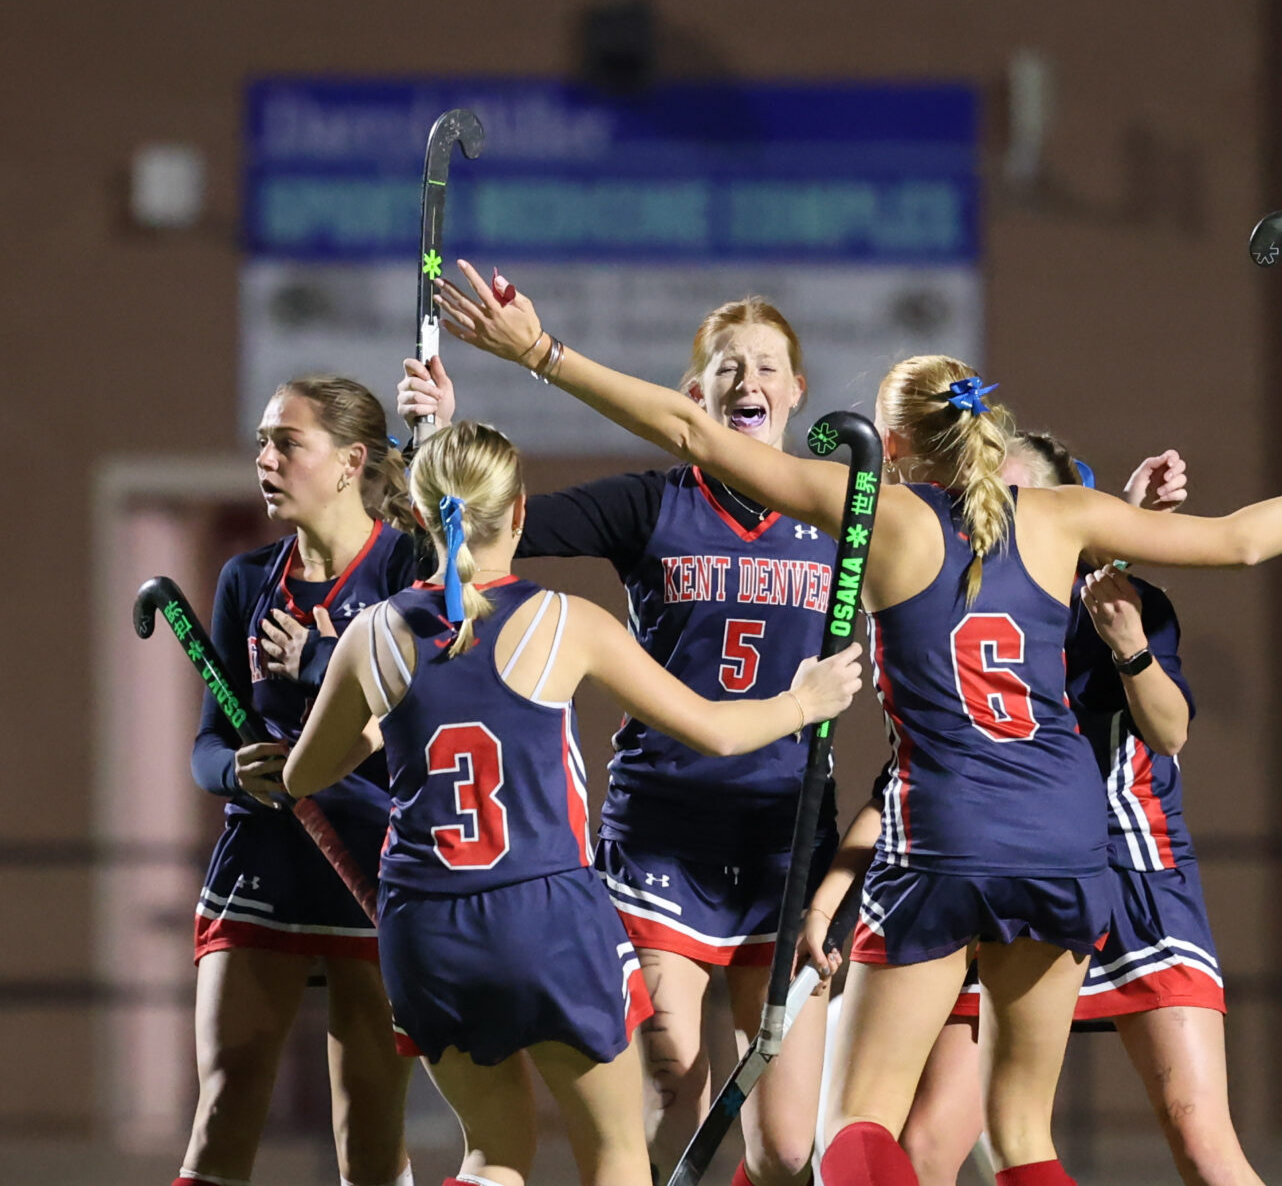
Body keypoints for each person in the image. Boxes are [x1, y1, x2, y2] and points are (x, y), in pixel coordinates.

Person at [433, 258, 1282, 1186]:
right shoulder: (1065, 515)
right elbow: (1239, 542)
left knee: (853, 1126)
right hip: (1067, 843)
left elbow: (692, 435)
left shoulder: (881, 515)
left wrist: (540, 352)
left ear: (892, 447)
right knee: (1020, 1132)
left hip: (944, 839)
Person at [280, 420, 864, 1186]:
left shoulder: (371, 636)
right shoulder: (565, 622)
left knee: (493, 1154)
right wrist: (802, 703)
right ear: (520, 512)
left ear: (420, 516)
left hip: (425, 924)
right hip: (545, 915)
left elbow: (302, 776)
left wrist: (381, 720)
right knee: (616, 1154)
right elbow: (718, 732)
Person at [396, 298, 846, 1186]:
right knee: (669, 1099)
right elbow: (491, 535)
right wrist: (436, 446)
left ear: (797, 391)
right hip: (664, 833)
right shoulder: (652, 504)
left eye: (766, 366)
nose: (748, 380)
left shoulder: (842, 514)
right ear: (694, 394)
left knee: (789, 1149)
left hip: (784, 840)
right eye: (728, 365)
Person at [814, 433, 1264, 1186]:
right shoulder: (962, 599)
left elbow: (1171, 730)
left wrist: (1129, 636)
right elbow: (905, 779)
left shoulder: (1120, 603)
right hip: (1006, 871)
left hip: (1128, 869)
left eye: (1021, 497)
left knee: (1199, 1138)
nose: (1001, 513)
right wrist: (829, 900)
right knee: (936, 1142)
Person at [179, 377, 416, 1186]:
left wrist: (321, 666)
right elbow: (209, 744)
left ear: (351, 462)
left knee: (370, 1131)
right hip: (266, 859)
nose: (265, 460)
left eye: (287, 443)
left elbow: (421, 725)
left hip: (370, 862)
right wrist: (235, 774)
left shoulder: (407, 568)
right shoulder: (247, 579)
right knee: (225, 1104)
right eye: (262, 443)